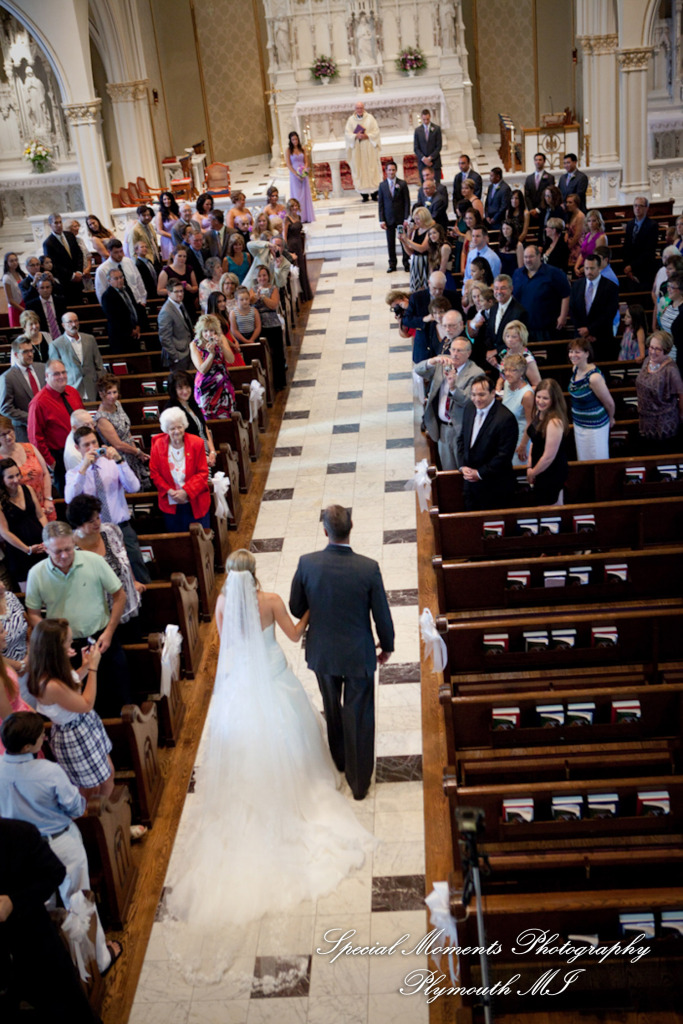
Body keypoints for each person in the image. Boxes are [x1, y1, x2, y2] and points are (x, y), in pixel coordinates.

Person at [163, 547, 374, 984]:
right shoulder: (272, 601)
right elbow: (294, 636)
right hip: (274, 678)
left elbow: (227, 645)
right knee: (292, 731)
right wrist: (312, 610)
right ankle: (298, 784)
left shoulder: (224, 604)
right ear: (255, 573)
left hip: (242, 682)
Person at [0, 712, 119, 977]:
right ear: (28, 746)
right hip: (60, 842)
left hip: (21, 851)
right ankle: (97, 961)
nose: (44, 737)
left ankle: (56, 965)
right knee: (78, 900)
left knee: (40, 906)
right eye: (40, 736)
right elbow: (76, 806)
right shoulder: (48, 771)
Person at [290, 506, 394, 800]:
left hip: (322, 652)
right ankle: (359, 784)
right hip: (358, 653)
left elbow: (296, 607)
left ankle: (339, 761)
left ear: (325, 531)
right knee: (359, 715)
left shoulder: (307, 563)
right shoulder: (368, 568)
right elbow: (382, 615)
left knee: (332, 707)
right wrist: (386, 646)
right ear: (352, 527)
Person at [0, 817, 104, 1024]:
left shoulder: (18, 833)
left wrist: (14, 902)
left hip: (34, 944)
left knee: (71, 1012)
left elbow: (54, 873)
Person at [25, 521, 130, 718]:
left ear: (74, 542)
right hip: (64, 648)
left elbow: (119, 595)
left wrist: (109, 632)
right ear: (45, 548)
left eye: (68, 549)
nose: (64, 555)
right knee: (80, 706)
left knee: (118, 694)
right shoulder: (36, 574)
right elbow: (33, 613)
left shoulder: (93, 561)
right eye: (58, 551)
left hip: (102, 638)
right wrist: (54, 642)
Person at [26, 617, 113, 796]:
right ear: (55, 649)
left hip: (85, 725)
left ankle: (110, 811)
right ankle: (99, 814)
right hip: (74, 735)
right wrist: (93, 668)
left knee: (108, 774)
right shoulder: (50, 684)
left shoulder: (53, 669)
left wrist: (85, 666)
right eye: (68, 642)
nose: (71, 644)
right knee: (91, 789)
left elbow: (70, 688)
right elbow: (86, 704)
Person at [64, 425, 150, 585]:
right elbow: (70, 499)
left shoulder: (113, 464)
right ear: (77, 448)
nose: (92, 448)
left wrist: (120, 460)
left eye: (94, 442)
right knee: (106, 576)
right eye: (86, 445)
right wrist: (84, 468)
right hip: (95, 531)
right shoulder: (74, 473)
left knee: (137, 568)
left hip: (121, 526)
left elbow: (134, 487)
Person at [66, 494, 143, 627]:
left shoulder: (111, 531)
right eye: (91, 521)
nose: (97, 523)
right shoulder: (70, 548)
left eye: (98, 517)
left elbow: (124, 558)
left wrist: (133, 580)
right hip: (99, 614)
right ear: (78, 524)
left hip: (126, 603)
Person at [414, 332, 483, 469]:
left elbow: (467, 401)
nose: (455, 354)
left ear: (468, 353)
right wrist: (432, 361)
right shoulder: (443, 363)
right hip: (443, 428)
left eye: (459, 351)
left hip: (462, 429)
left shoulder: (475, 373)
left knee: (464, 469)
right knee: (447, 469)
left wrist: (453, 387)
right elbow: (418, 370)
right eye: (453, 350)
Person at [457, 375, 518, 511]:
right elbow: (462, 439)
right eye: (473, 395)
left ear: (492, 393)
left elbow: (504, 455)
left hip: (494, 486)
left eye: (481, 394)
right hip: (470, 485)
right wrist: (462, 466)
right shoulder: (469, 408)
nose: (476, 399)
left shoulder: (505, 418)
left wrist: (479, 473)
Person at [27, 359, 84, 496]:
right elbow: (35, 438)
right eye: (56, 374)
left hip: (81, 448)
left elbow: (82, 417)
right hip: (59, 456)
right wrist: (51, 462)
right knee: (69, 495)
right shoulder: (38, 403)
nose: (62, 376)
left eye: (64, 372)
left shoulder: (73, 392)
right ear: (47, 376)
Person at [149, 407, 211, 530]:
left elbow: (203, 473)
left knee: (200, 536)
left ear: (185, 426)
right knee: (178, 538)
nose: (177, 431)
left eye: (180, 427)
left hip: (195, 500)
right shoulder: (158, 445)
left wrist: (186, 491)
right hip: (171, 502)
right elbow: (154, 473)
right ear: (166, 430)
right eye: (172, 428)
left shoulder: (197, 443)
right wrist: (170, 491)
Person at [95, 374, 151, 488]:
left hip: (131, 451)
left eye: (114, 392)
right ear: (101, 394)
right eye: (108, 393)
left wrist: (134, 448)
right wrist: (137, 452)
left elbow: (126, 429)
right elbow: (118, 445)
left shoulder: (117, 404)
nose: (112, 396)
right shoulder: (102, 418)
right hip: (119, 457)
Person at [0, 458, 47, 589]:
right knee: (30, 593)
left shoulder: (28, 489)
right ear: (2, 480)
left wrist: (46, 537)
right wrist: (27, 549)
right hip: (19, 552)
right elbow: (4, 532)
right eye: (10, 477)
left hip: (40, 545)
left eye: (17, 475)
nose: (16, 480)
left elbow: (40, 515)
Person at [0, 414, 55, 523]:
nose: (8, 437)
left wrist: (48, 498)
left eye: (9, 432)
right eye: (3, 435)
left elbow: (45, 473)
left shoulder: (29, 447)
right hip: (23, 511)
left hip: (44, 504)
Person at [567, 337, 615, 460]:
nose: (573, 355)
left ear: (587, 354)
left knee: (597, 458)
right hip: (579, 424)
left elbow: (609, 403)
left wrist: (611, 418)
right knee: (583, 459)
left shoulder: (594, 378)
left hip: (595, 427)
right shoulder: (575, 369)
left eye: (577, 352)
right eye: (571, 351)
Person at [635, 330, 683, 451]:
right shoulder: (647, 361)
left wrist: (681, 414)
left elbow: (681, 393)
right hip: (646, 419)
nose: (652, 352)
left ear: (666, 350)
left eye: (657, 349)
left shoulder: (671, 369)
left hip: (663, 423)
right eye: (651, 347)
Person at [525, 378, 570, 505]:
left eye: (545, 398)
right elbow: (534, 441)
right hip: (539, 468)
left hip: (551, 471)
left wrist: (532, 473)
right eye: (538, 397)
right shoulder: (539, 413)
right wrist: (529, 466)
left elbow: (549, 457)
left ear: (554, 400)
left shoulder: (554, 422)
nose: (540, 401)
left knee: (550, 507)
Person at [512, 246, 570, 341]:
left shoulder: (554, 273)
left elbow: (566, 294)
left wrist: (563, 316)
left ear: (539, 256)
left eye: (531, 256)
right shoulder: (517, 274)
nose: (528, 260)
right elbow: (514, 296)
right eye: (525, 257)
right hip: (524, 327)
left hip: (547, 327)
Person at [402, 271, 461, 364]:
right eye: (434, 288)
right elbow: (406, 320)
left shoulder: (453, 297)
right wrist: (423, 319)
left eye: (440, 289)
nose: (437, 292)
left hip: (445, 346)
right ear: (429, 283)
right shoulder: (417, 297)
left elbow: (460, 318)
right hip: (424, 346)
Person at [569, 252, 620, 358]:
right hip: (581, 337)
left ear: (599, 268)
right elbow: (573, 309)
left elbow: (609, 313)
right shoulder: (577, 285)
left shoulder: (610, 287)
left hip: (601, 337)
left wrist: (590, 330)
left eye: (592, 268)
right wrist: (583, 331)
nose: (589, 271)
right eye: (586, 268)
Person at [164, 370, 217, 469]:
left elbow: (203, 427)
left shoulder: (191, 402)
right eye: (180, 388)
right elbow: (177, 440)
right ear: (173, 389)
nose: (185, 391)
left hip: (204, 451)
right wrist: (200, 457)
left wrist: (212, 451)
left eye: (187, 387)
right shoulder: (171, 409)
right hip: (190, 457)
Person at [48, 312, 104, 402]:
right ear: (63, 325)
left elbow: (99, 365)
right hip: (71, 389)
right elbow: (55, 371)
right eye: (70, 322)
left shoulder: (90, 339)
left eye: (76, 321)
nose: (74, 324)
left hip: (92, 388)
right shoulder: (56, 345)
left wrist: (101, 385)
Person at [0, 337, 46, 441]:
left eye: (31, 350)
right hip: (24, 430)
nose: (30, 354)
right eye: (25, 352)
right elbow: (5, 408)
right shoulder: (7, 378)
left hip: (48, 426)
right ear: (16, 355)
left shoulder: (42, 368)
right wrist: (31, 417)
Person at [191, 313, 236, 419]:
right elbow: (202, 369)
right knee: (207, 417)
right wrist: (211, 354)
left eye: (211, 330)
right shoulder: (194, 344)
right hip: (205, 386)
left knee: (226, 414)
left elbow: (231, 359)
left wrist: (221, 346)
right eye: (205, 331)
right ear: (200, 331)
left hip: (223, 384)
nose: (209, 334)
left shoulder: (221, 338)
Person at [253, 265, 286, 391]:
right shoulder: (253, 289)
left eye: (264, 275)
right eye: (259, 276)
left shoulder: (273, 288)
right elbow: (251, 301)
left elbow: (273, 305)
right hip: (258, 323)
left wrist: (263, 297)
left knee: (277, 353)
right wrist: (256, 297)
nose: (262, 278)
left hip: (272, 322)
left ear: (268, 276)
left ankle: (279, 382)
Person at [499, 353, 535, 468]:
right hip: (506, 436)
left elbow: (530, 423)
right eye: (506, 370)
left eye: (513, 370)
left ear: (522, 372)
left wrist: (523, 445)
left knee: (518, 471)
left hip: (521, 438)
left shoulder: (527, 394)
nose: (508, 374)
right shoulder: (506, 384)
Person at [344, 100, 382, 201]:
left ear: (363, 108)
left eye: (361, 108)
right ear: (355, 109)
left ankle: (374, 194)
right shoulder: (351, 120)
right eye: (357, 108)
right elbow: (347, 134)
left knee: (372, 168)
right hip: (357, 148)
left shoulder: (370, 118)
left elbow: (376, 131)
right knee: (359, 170)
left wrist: (367, 135)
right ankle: (364, 195)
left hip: (369, 147)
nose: (359, 110)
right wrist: (356, 136)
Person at [378, 159, 411, 274]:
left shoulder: (402, 184)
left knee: (403, 240)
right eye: (389, 170)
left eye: (393, 170)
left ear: (396, 170)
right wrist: (381, 220)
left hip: (400, 219)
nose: (391, 172)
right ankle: (392, 264)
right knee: (390, 242)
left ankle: (406, 263)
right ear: (386, 171)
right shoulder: (382, 186)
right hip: (389, 219)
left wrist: (406, 218)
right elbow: (381, 204)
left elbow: (407, 202)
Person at [42, 213, 83, 305]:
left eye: (60, 222)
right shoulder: (48, 243)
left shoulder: (70, 235)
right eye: (56, 223)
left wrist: (79, 272)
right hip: (65, 282)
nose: (59, 225)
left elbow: (79, 254)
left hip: (78, 279)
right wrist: (72, 275)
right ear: (50, 225)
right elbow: (53, 265)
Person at [485, 275, 528, 361]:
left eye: (503, 288)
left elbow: (519, 340)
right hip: (491, 356)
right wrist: (489, 353)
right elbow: (489, 334)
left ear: (511, 289)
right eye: (496, 288)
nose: (499, 292)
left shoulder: (519, 312)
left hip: (511, 357)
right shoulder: (493, 308)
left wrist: (496, 351)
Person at [488, 319, 541, 387]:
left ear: (522, 338)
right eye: (507, 336)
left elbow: (537, 385)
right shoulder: (504, 353)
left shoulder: (527, 358)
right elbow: (503, 377)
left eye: (514, 337)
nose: (509, 339)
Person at [623, 196, 660, 290]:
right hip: (630, 269)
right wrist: (627, 267)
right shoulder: (630, 224)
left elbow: (649, 251)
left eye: (640, 206)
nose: (637, 208)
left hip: (645, 268)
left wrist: (632, 266)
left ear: (646, 208)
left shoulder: (652, 225)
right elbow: (626, 247)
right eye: (635, 205)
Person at [158, 280, 193, 370]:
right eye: (176, 292)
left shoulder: (180, 304)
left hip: (188, 350)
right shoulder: (166, 311)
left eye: (181, 291)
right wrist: (176, 357)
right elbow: (165, 338)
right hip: (179, 356)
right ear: (169, 293)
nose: (180, 294)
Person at [157, 245, 199, 322]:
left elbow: (195, 287)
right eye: (179, 256)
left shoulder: (189, 269)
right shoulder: (166, 271)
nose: (182, 258)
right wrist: (174, 290)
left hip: (188, 303)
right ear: (173, 256)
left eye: (184, 256)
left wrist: (190, 288)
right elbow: (159, 291)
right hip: (174, 303)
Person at [283, 198, 313, 301]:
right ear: (289, 207)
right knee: (296, 268)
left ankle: (306, 294)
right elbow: (284, 235)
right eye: (292, 206)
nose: (295, 208)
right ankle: (298, 296)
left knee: (302, 268)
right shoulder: (287, 219)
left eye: (296, 205)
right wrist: (286, 249)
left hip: (299, 244)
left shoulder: (298, 217)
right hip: (292, 245)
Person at [206, 291, 245, 365]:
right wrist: (233, 345)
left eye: (224, 300)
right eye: (219, 302)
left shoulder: (222, 314)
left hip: (231, 343)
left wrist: (235, 341)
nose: (223, 303)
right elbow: (221, 335)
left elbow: (228, 331)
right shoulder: (213, 318)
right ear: (213, 303)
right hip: (224, 345)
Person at [401, 206, 434, 292]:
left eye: (418, 219)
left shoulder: (431, 231)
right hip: (416, 264)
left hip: (426, 263)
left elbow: (422, 248)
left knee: (425, 289)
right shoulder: (416, 230)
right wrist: (403, 241)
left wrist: (407, 240)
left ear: (425, 218)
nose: (415, 222)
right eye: (415, 219)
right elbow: (411, 252)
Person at [25, 273, 66, 341]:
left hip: (61, 335)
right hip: (43, 337)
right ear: (37, 289)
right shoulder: (32, 305)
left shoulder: (60, 301)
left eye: (47, 287)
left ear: (51, 288)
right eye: (42, 288)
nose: (45, 290)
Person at [285, 130, 315, 223]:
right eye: (293, 140)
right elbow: (289, 164)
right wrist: (297, 174)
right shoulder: (288, 150)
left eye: (296, 139)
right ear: (290, 140)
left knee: (305, 195)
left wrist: (304, 170)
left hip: (303, 174)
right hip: (294, 175)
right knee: (297, 195)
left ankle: (306, 216)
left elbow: (306, 161)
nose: (295, 141)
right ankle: (298, 216)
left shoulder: (302, 148)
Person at [574, 209, 608, 278]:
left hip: (595, 270)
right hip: (585, 267)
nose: (591, 223)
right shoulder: (588, 235)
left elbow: (599, 258)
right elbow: (582, 253)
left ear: (598, 222)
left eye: (594, 221)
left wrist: (585, 268)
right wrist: (576, 266)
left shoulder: (601, 237)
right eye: (589, 221)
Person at [523, 153, 555, 219]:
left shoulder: (550, 178)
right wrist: (531, 209)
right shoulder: (529, 178)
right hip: (531, 212)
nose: (538, 162)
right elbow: (527, 196)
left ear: (544, 161)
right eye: (536, 160)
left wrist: (538, 210)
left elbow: (550, 195)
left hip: (544, 210)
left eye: (540, 160)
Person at [414, 108, 442, 181]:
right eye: (424, 119)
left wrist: (430, 158)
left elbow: (438, 146)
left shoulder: (436, 129)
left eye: (427, 119)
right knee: (425, 184)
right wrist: (424, 159)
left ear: (430, 117)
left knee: (436, 184)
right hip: (422, 163)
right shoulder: (417, 131)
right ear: (421, 118)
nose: (426, 121)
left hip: (434, 162)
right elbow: (416, 148)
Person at [129, 204, 161, 268]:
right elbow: (132, 251)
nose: (147, 217)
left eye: (148, 215)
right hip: (145, 262)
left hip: (156, 258)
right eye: (144, 215)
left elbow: (153, 242)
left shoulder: (150, 225)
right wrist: (137, 266)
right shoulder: (135, 230)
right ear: (138, 216)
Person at [155, 191, 180, 264]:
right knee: (171, 260)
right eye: (165, 199)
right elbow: (159, 230)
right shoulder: (160, 214)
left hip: (177, 238)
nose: (167, 201)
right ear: (162, 201)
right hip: (168, 240)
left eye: (168, 199)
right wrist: (172, 236)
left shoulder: (175, 212)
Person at [2, 252, 26, 327]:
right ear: (7, 263)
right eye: (12, 261)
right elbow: (10, 300)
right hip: (16, 308)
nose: (15, 262)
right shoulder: (6, 278)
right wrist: (23, 309)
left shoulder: (20, 274)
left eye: (16, 260)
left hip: (24, 304)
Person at [565, 193, 586, 270]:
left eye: (570, 202)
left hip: (577, 246)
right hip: (571, 244)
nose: (567, 204)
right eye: (567, 202)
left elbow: (578, 235)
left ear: (576, 203)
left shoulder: (580, 216)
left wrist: (569, 247)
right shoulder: (571, 214)